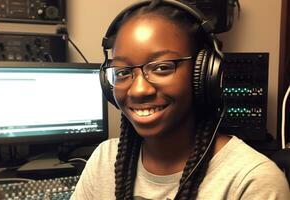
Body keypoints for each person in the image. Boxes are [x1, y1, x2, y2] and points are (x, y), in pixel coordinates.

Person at [71, 0, 290, 199]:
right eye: (122, 72)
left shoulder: (252, 182)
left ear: (205, 74)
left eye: (162, 68)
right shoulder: (104, 160)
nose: (138, 90)